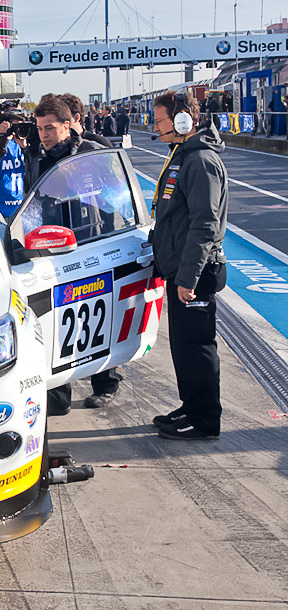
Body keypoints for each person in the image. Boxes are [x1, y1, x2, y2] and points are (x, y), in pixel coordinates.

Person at [23, 97, 119, 415]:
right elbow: (30, 203)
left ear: (68, 124)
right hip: (50, 249)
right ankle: (58, 393)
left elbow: (115, 197)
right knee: (55, 322)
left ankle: (105, 383)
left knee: (94, 316)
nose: (44, 134)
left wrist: (109, 236)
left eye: (49, 128)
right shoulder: (34, 155)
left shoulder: (92, 152)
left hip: (90, 245)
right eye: (39, 128)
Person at [150, 91, 228, 440]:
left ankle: (205, 419)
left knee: (197, 347)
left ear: (182, 120)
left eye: (160, 120)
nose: (155, 126)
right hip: (180, 269)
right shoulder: (183, 156)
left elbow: (204, 224)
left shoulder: (200, 161)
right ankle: (191, 406)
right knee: (183, 346)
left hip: (194, 274)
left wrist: (188, 277)